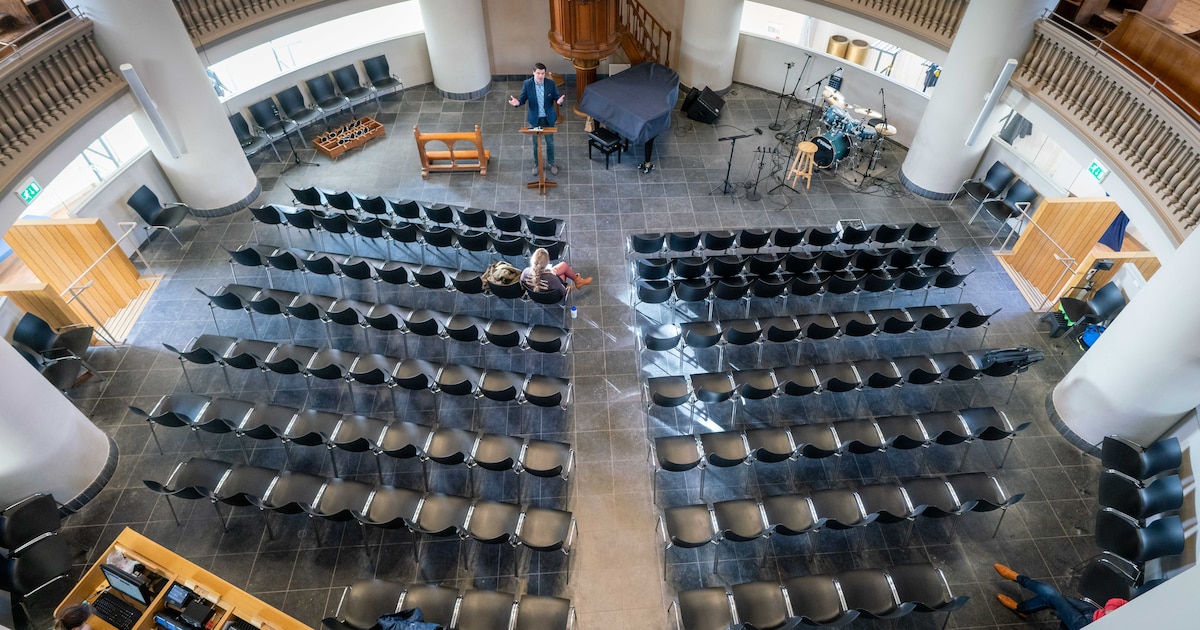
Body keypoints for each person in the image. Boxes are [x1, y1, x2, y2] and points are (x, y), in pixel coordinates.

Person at [993, 563, 1127, 630]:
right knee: (1050, 598)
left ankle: (1018, 578)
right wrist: (1111, 609)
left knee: (1051, 594)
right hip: (1094, 613)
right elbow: (1119, 601)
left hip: (1085, 625)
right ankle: (1021, 609)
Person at [509, 63, 565, 176]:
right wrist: (518, 103)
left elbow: (556, 96)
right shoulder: (527, 84)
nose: (540, 76)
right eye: (538, 73)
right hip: (535, 119)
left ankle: (552, 163)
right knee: (536, 144)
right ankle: (537, 164)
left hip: (548, 118)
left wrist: (559, 101)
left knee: (550, 143)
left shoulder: (551, 83)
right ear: (533, 72)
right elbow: (522, 99)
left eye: (543, 73)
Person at [521, 247, 592, 299]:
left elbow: (523, 284)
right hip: (552, 298)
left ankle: (578, 281)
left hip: (536, 296)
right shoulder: (552, 279)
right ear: (546, 263)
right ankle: (578, 282)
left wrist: (549, 272)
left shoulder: (525, 272)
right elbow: (564, 292)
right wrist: (569, 288)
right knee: (564, 273)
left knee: (563, 265)